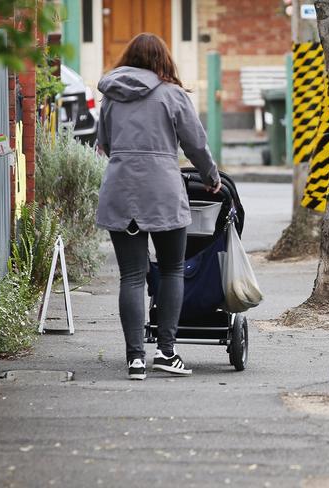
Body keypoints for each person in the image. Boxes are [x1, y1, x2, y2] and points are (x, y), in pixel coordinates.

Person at [96, 33, 221, 380]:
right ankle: (167, 352)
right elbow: (196, 144)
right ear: (163, 60)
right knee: (171, 270)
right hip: (163, 189)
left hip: (121, 188)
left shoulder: (111, 95)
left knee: (132, 276)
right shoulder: (172, 95)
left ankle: (135, 359)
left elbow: (103, 142)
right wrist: (211, 177)